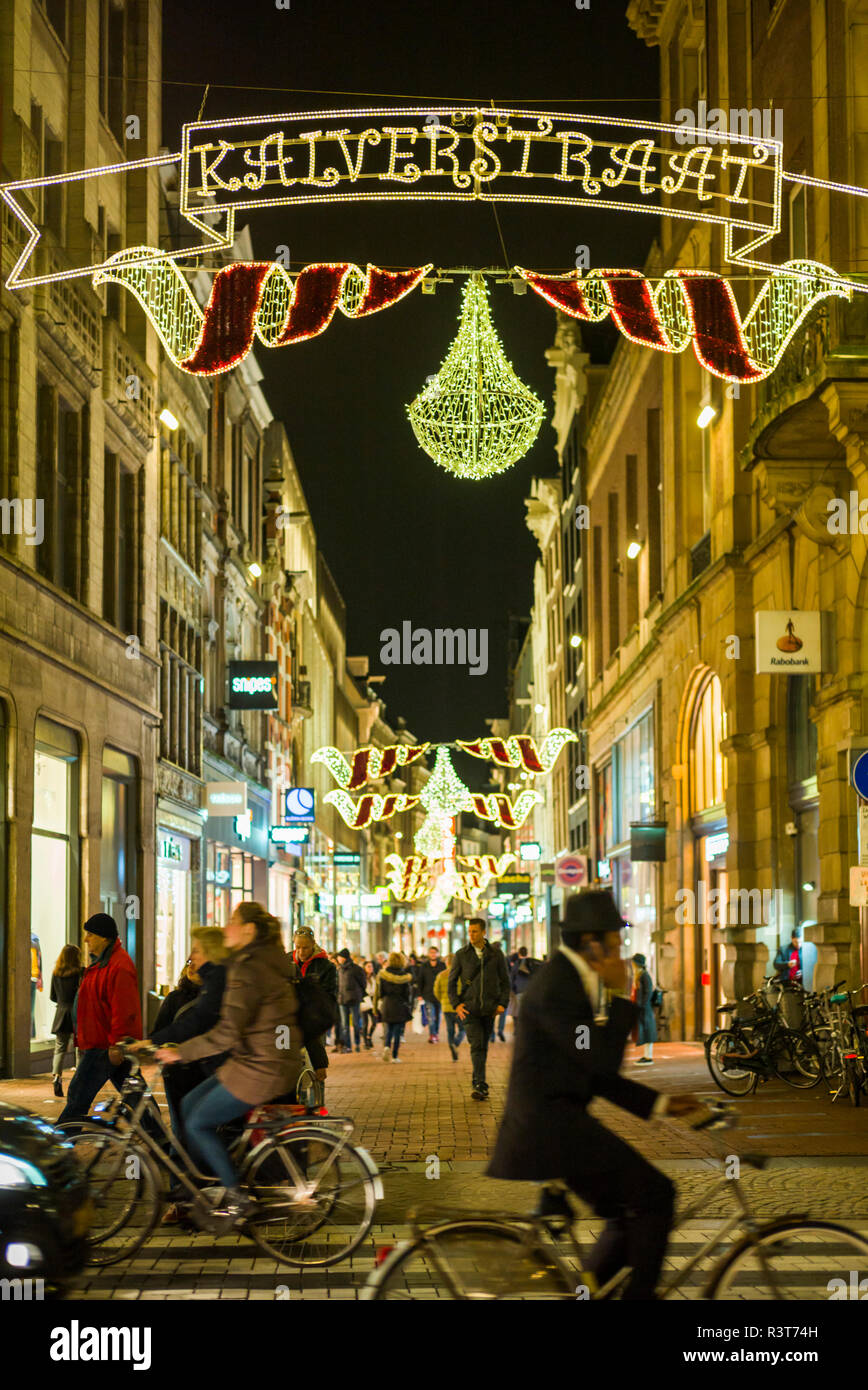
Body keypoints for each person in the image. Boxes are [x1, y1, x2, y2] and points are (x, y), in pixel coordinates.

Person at [487, 891, 700, 1300]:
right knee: (656, 1196)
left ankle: (590, 1292)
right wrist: (622, 996)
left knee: (625, 1211)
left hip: (556, 1123)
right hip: (551, 1128)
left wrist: (661, 1104)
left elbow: (590, 1068)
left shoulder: (570, 980)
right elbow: (598, 1060)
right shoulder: (560, 988)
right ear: (592, 943)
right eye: (616, 942)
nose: (621, 952)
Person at [155, 903, 303, 1221]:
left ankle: (237, 1197)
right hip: (256, 1059)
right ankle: (207, 1184)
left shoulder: (249, 969)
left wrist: (179, 1052)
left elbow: (226, 1032)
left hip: (260, 1066)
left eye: (233, 921)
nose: (226, 928)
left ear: (248, 930)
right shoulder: (254, 961)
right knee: (191, 1103)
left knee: (196, 1122)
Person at [57, 913, 142, 1124]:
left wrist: (116, 1045)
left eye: (90, 935)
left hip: (105, 1046)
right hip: (103, 1044)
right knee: (137, 1097)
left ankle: (58, 1148)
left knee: (78, 1096)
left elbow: (124, 1008)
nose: (86, 940)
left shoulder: (118, 966)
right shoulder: (101, 964)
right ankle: (160, 1139)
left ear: (104, 937)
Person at [148, 927, 228, 1140]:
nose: (192, 963)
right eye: (189, 962)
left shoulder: (215, 994)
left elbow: (200, 1026)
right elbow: (165, 1029)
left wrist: (154, 1043)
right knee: (183, 1126)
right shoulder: (176, 998)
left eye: (197, 954)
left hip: (206, 1069)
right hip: (179, 1072)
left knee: (199, 1126)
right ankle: (184, 1164)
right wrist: (157, 1043)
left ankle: (197, 1168)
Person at [448, 918, 510, 1101]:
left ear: (484, 932)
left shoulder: (496, 954)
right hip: (469, 1009)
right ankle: (481, 1085)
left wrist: (502, 1004)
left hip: (490, 1009)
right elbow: (451, 984)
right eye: (469, 931)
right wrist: (456, 1004)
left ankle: (477, 1079)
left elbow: (505, 982)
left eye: (475, 931)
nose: (471, 935)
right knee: (477, 1044)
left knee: (482, 1045)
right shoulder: (461, 955)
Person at [292, 927, 337, 1084]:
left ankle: (317, 1099)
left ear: (313, 945)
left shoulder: (326, 967)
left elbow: (329, 996)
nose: (301, 951)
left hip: (314, 1019)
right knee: (287, 1060)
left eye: (305, 947)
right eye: (298, 947)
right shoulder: (286, 962)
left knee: (317, 1063)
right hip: (289, 1021)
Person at [49, 944, 83, 1098]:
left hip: (61, 1012)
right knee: (80, 1047)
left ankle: (57, 1076)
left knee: (60, 1047)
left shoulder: (56, 973)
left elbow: (52, 996)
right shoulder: (80, 972)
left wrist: (62, 1002)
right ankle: (80, 1079)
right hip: (77, 1013)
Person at [373, 952, 414, 1062]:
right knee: (397, 1032)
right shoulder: (405, 976)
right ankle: (395, 1056)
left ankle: (386, 1046)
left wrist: (376, 1007)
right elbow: (407, 994)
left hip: (387, 1004)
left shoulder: (383, 975)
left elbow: (379, 992)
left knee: (388, 1030)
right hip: (400, 1005)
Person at [336, 948, 366, 1052]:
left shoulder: (356, 969)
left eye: (339, 957)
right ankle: (348, 1046)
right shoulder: (339, 969)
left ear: (344, 957)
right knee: (344, 1025)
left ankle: (357, 1043)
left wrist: (359, 993)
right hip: (342, 999)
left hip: (354, 999)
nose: (338, 959)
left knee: (356, 1023)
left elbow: (363, 983)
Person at [435, 954, 465, 1061]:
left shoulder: (441, 975)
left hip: (446, 1008)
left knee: (450, 1030)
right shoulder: (462, 975)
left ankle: (453, 1052)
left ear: (447, 963)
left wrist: (442, 1000)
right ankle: (456, 1044)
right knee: (463, 1029)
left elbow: (436, 991)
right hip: (459, 1007)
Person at [630, 953, 657, 1065]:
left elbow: (648, 991)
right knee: (645, 1031)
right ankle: (646, 1056)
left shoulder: (644, 975)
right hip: (642, 1007)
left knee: (647, 1030)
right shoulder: (640, 975)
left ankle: (648, 1057)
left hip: (644, 1007)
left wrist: (642, 1004)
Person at [418, 945, 446, 1043]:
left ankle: (436, 1033)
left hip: (440, 996)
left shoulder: (442, 965)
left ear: (437, 954)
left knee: (438, 1016)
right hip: (428, 995)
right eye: (431, 952)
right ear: (428, 954)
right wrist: (419, 994)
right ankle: (432, 1034)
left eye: (434, 952)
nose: (433, 954)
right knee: (431, 1016)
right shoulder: (424, 966)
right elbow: (420, 980)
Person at [509, 946, 540, 1018]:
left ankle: (520, 1026)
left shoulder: (517, 963)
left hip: (519, 990)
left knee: (520, 1011)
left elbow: (512, 978)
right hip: (530, 990)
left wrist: (512, 989)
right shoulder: (533, 962)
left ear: (519, 953)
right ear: (527, 953)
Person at [361, 960, 378, 1049]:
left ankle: (369, 1037)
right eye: (368, 966)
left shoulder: (375, 977)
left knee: (375, 1022)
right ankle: (365, 1042)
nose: (370, 968)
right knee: (365, 1023)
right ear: (364, 968)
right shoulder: (362, 978)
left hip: (373, 1001)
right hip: (365, 1000)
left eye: (371, 966)